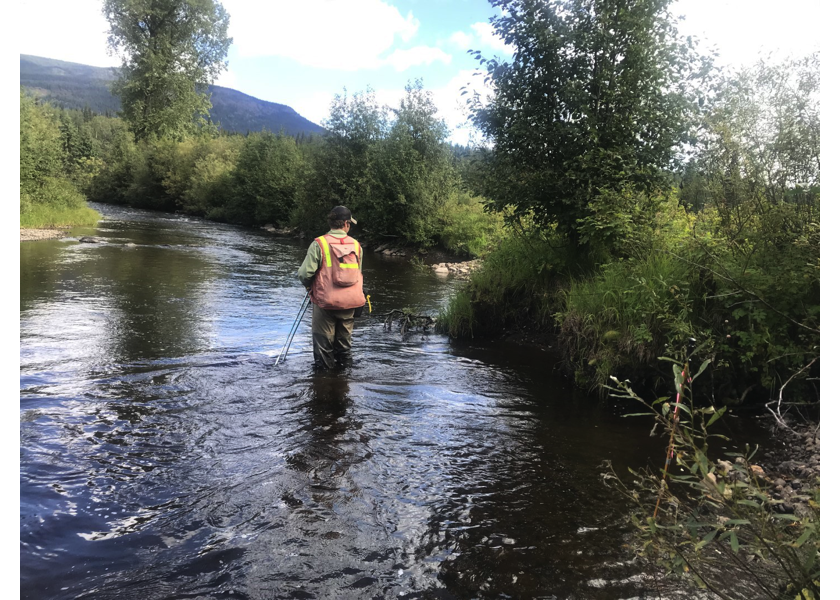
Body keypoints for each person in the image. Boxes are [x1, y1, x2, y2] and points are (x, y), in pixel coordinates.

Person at [297, 206, 365, 369]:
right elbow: (358, 274)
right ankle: (345, 382)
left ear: (332, 222)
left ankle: (324, 384)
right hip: (350, 303)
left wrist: (309, 287)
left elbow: (304, 274)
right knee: (344, 348)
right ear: (347, 224)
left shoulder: (319, 244)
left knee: (323, 349)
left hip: (325, 303)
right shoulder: (356, 246)